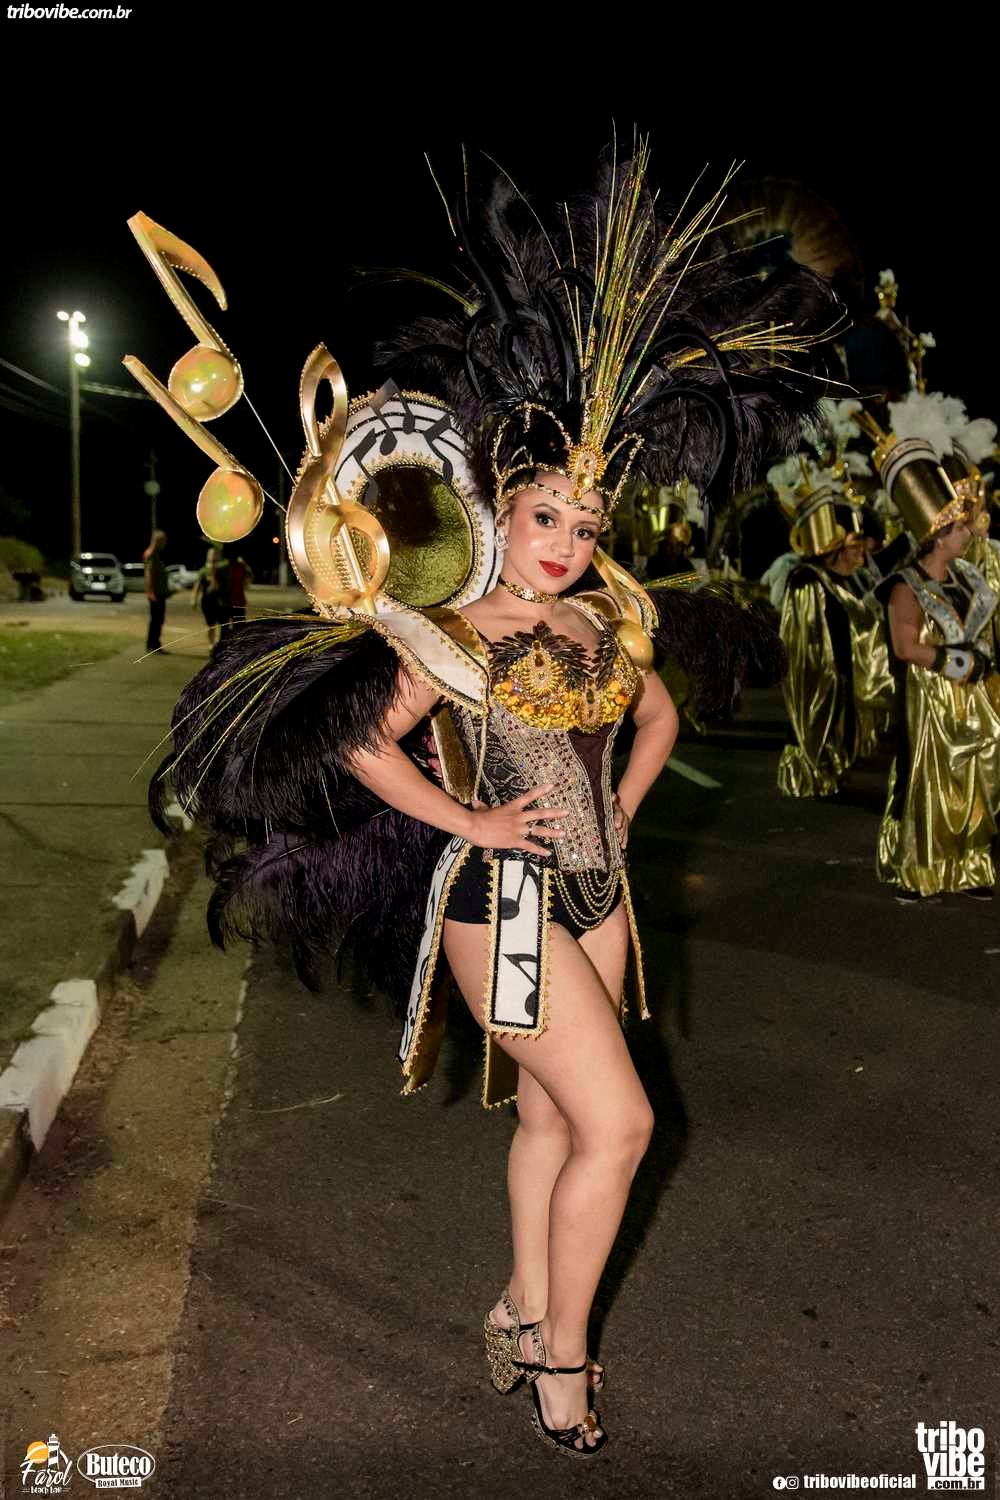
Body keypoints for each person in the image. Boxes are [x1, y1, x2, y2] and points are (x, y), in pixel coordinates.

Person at [146, 146, 841, 1459]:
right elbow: (364, 743)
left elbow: (658, 717)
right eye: (545, 517)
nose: (567, 541)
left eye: (586, 522)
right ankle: (562, 1359)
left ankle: (523, 1302)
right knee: (623, 1124)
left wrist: (624, 805)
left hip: (598, 892)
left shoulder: (604, 620)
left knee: (550, 1115)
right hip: (499, 900)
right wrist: (465, 824)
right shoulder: (451, 631)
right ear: (501, 514)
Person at [871, 444, 1000, 903]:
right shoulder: (904, 587)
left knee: (975, 778)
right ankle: (921, 869)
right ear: (938, 535)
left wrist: (980, 660)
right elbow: (906, 647)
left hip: (970, 700)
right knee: (931, 783)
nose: (968, 533)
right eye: (959, 527)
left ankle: (969, 865)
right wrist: (960, 663)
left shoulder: (965, 577)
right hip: (930, 702)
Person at [777, 486, 884, 797]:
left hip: (845, 669)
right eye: (855, 546)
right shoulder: (806, 580)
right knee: (817, 722)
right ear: (836, 547)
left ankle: (832, 770)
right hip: (820, 673)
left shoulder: (848, 579)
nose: (861, 553)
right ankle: (808, 774)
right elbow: (805, 638)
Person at [192, 547, 225, 649]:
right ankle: (211, 644)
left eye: (216, 554)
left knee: (223, 624)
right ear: (208, 556)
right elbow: (197, 586)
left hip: (220, 601)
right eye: (211, 554)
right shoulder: (204, 571)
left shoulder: (223, 569)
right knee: (211, 624)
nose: (214, 556)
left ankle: (221, 644)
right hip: (208, 601)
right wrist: (194, 599)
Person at [143, 529, 169, 653]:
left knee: (158, 619)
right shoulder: (151, 555)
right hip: (156, 593)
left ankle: (154, 644)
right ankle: (153, 645)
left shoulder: (156, 554)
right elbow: (149, 573)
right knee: (156, 619)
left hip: (160, 592)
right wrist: (150, 591)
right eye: (163, 541)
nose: (164, 544)